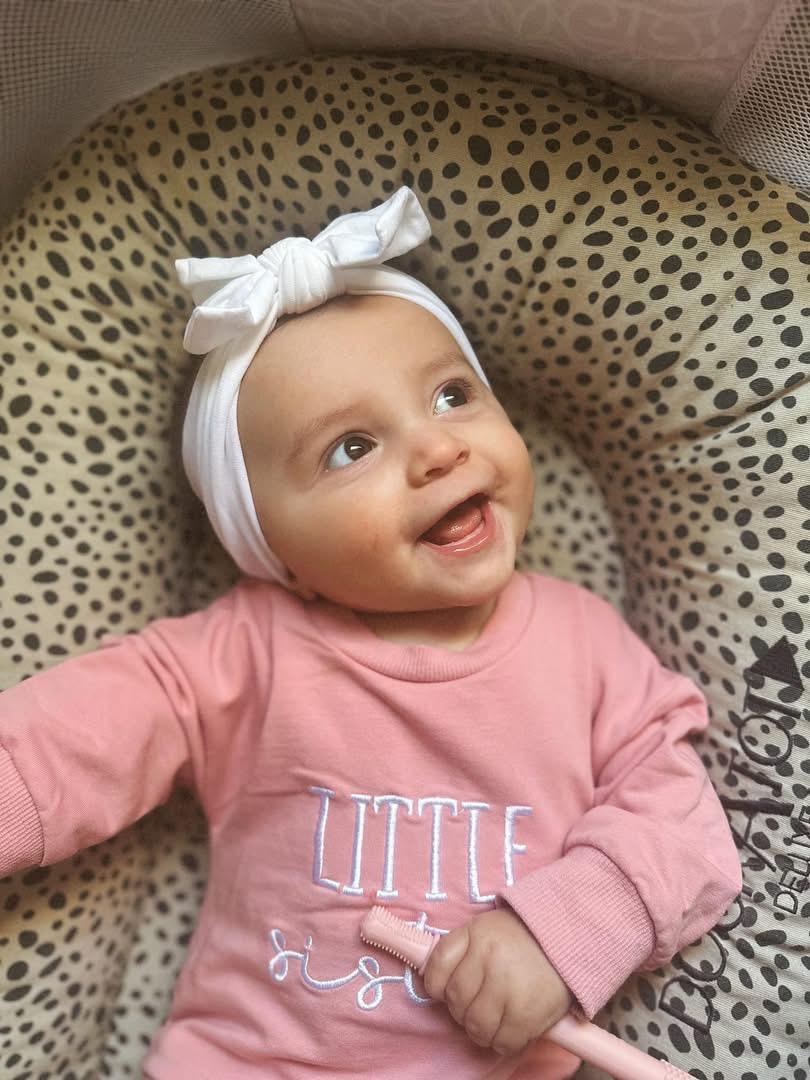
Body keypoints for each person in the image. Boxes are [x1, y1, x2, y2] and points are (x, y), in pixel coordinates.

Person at [0, 187, 741, 1080]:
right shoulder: (249, 648)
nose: (438, 451)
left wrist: (562, 933)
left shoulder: (585, 645)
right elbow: (70, 743)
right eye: (352, 448)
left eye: (452, 395)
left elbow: (678, 823)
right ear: (273, 551)